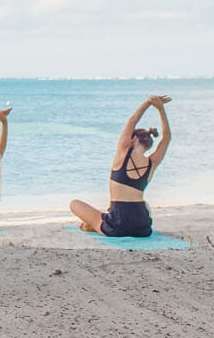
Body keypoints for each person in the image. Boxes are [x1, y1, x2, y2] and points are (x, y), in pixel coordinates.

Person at [69, 95, 172, 237]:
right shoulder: (152, 163)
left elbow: (132, 120)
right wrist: (160, 109)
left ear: (133, 139)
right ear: (148, 146)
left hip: (118, 224)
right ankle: (96, 224)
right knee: (144, 204)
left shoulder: (123, 152)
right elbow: (166, 138)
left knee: (74, 204)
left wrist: (148, 102)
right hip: (142, 227)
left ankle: (95, 225)